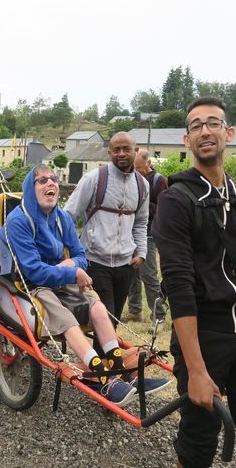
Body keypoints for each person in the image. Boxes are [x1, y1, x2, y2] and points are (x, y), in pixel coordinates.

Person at [152, 97, 236, 468]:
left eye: (213, 123)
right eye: (195, 126)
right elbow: (178, 286)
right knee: (197, 447)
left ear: (228, 134)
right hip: (203, 334)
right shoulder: (175, 200)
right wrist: (196, 371)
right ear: (187, 140)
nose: (204, 131)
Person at [1, 165, 168, 407]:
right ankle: (103, 380)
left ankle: (121, 373)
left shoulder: (61, 218)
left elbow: (81, 254)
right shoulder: (19, 221)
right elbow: (33, 270)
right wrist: (70, 269)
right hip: (32, 285)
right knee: (67, 318)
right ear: (30, 188)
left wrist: (71, 266)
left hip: (61, 277)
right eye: (42, 181)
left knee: (98, 308)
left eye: (54, 179)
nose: (51, 184)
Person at [64, 132, 148, 331]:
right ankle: (104, 361)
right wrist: (73, 252)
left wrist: (142, 253)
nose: (121, 154)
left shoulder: (142, 185)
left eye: (126, 149)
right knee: (106, 322)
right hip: (95, 263)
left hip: (126, 265)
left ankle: (102, 359)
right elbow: (69, 216)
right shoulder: (94, 179)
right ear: (109, 153)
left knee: (114, 320)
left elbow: (141, 222)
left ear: (135, 152)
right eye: (116, 150)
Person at [125, 150, 168, 322]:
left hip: (149, 234)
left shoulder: (160, 181)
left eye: (139, 168)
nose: (136, 172)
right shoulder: (132, 179)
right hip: (129, 233)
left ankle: (158, 316)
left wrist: (142, 204)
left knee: (148, 275)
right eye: (133, 169)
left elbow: (164, 210)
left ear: (148, 163)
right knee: (131, 274)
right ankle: (135, 311)